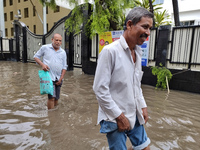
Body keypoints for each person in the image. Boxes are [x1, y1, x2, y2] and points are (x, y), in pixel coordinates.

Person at [93, 7, 153, 150]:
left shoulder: (137, 53)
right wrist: (119, 117)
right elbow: (99, 89)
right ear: (130, 25)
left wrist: (143, 106)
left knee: (145, 148)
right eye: (145, 26)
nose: (148, 32)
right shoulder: (110, 51)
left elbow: (136, 85)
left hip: (134, 111)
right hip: (113, 116)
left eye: (150, 28)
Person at [34, 33, 68, 110]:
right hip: (48, 77)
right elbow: (36, 57)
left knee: (56, 98)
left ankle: (55, 114)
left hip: (59, 77)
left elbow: (64, 66)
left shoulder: (63, 52)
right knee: (51, 98)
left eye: (60, 41)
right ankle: (51, 116)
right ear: (52, 40)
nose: (58, 42)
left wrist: (61, 78)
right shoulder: (45, 48)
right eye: (56, 40)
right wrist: (42, 65)